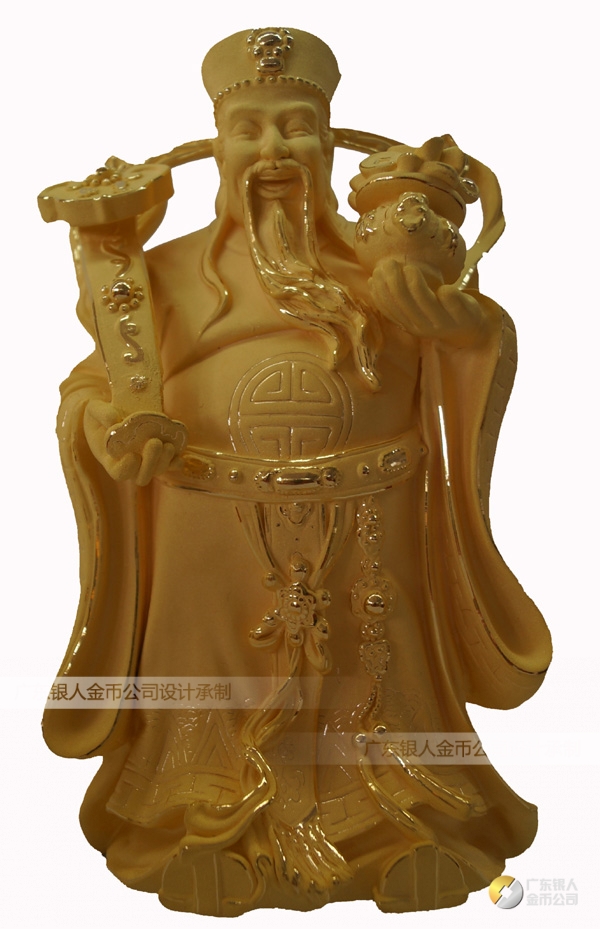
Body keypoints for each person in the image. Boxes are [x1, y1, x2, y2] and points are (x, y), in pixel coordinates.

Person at [43, 27, 551, 916]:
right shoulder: (161, 277)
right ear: (216, 146)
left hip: (370, 528)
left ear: (330, 143)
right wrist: (109, 429)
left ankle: (401, 829)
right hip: (207, 534)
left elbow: (473, 349)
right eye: (249, 130)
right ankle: (207, 829)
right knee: (210, 694)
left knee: (379, 684)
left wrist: (460, 328)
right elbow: (91, 387)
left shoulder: (382, 269)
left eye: (297, 127)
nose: (273, 151)